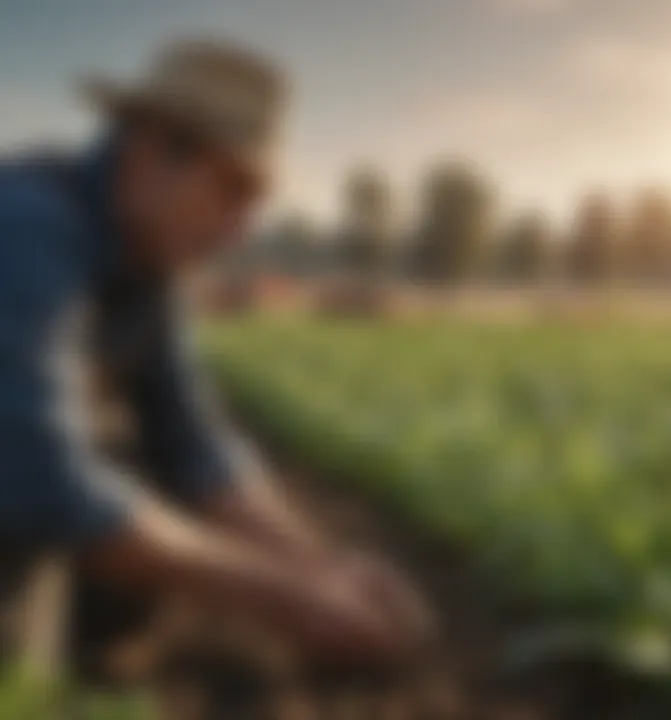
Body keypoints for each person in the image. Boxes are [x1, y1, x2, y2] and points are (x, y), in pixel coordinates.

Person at [0, 38, 432, 676]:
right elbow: (40, 478)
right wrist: (284, 599)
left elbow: (192, 442)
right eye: (231, 191)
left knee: (130, 494)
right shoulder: (26, 226)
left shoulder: (146, 263)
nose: (239, 231)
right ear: (150, 151)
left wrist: (321, 568)